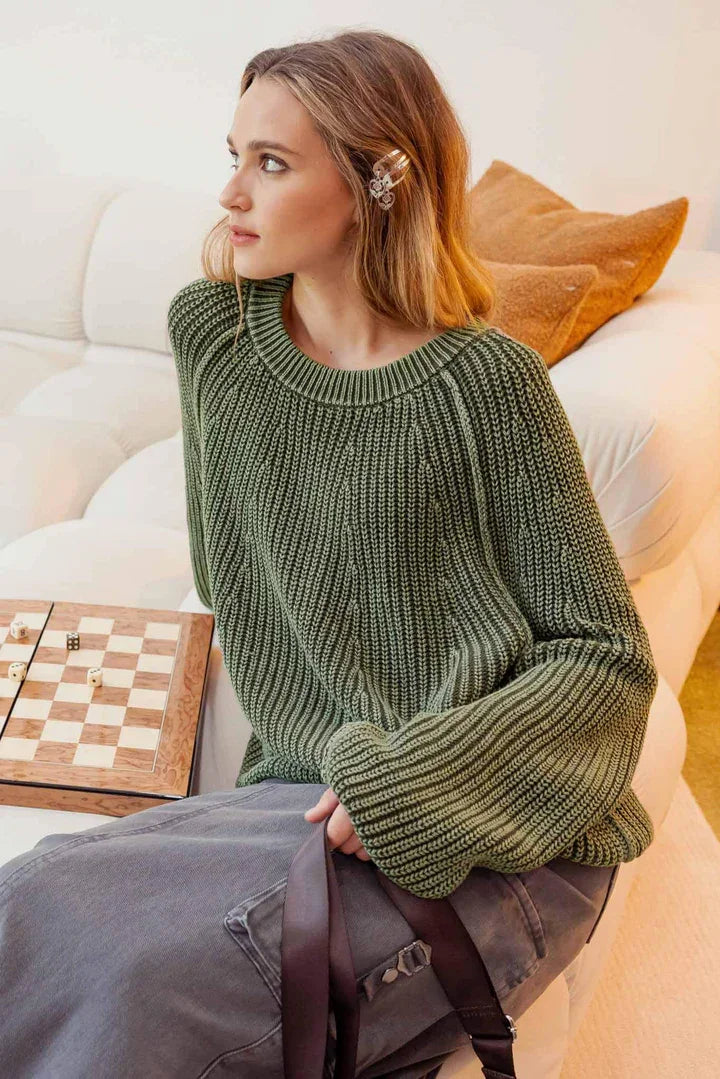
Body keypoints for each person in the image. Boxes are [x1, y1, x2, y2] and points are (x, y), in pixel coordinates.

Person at [0, 28, 656, 1078]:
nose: (230, 195)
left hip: (501, 829)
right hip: (297, 801)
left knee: (133, 987)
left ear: (372, 184)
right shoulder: (215, 341)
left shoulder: (484, 385)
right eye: (234, 155)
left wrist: (412, 774)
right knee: (22, 901)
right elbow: (238, 586)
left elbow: (605, 656)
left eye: (271, 162)